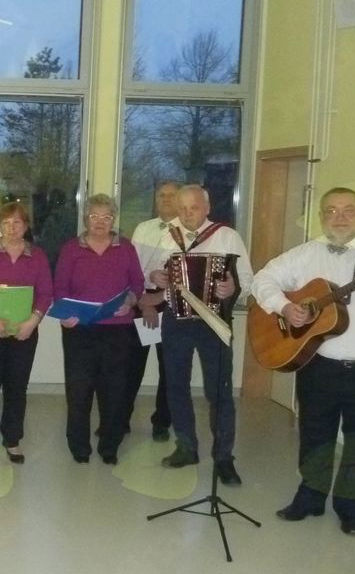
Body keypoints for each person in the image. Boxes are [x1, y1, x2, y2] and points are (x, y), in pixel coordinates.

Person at [252, 187, 355, 537]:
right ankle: (310, 497)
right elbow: (262, 280)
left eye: (348, 210)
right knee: (315, 432)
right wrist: (286, 307)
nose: (340, 217)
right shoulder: (306, 253)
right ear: (321, 216)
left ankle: (352, 509)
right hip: (318, 365)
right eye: (331, 210)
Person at [145, 184, 253, 485]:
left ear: (207, 208)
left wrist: (232, 288)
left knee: (218, 390)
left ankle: (224, 457)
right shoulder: (169, 236)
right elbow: (150, 273)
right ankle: (186, 446)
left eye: (193, 208)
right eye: (182, 208)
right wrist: (155, 276)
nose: (187, 214)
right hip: (175, 319)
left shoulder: (227, 236)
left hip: (214, 321)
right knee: (175, 385)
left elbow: (247, 278)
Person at [53, 194, 143, 465]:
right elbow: (60, 287)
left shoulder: (126, 248)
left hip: (118, 329)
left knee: (114, 390)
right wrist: (65, 314)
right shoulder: (71, 248)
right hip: (79, 329)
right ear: (85, 219)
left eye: (106, 217)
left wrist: (129, 302)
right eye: (94, 216)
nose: (100, 222)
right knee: (79, 390)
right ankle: (79, 446)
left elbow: (137, 284)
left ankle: (109, 445)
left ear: (113, 220)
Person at [0, 202, 52, 465]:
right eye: (5, 223)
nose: (11, 228)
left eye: (17, 222)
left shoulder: (37, 255)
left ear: (26, 226)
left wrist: (32, 322)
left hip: (24, 332)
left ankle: (13, 437)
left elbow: (45, 293)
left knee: (17, 385)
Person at [126, 181, 180, 441]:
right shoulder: (143, 228)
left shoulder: (189, 233)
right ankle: (120, 418)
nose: (166, 199)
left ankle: (162, 422)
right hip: (142, 299)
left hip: (173, 303)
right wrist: (143, 299)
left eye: (172, 195)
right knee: (131, 365)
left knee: (169, 368)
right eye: (161, 195)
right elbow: (132, 269)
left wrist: (159, 295)